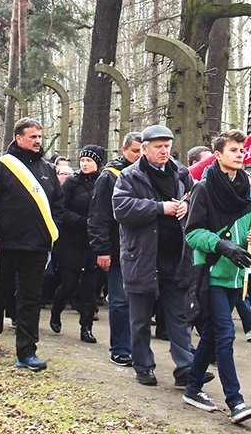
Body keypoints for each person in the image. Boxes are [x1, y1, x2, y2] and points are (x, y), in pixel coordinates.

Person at [113, 125, 208, 387]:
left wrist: (186, 206)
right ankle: (143, 365)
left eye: (167, 146)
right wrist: (159, 208)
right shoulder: (129, 176)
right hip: (142, 256)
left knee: (179, 314)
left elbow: (197, 196)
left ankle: (186, 367)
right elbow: (121, 209)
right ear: (144, 149)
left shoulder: (180, 172)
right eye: (158, 146)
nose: (164, 151)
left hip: (175, 257)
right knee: (141, 317)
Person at [182, 129, 251, 424]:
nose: (240, 154)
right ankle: (235, 400)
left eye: (242, 150)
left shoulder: (249, 191)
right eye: (233, 150)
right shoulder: (204, 189)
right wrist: (222, 244)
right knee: (226, 333)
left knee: (215, 333)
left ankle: (192, 387)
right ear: (217, 155)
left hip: (236, 274)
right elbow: (192, 233)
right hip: (213, 272)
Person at [0, 118, 63, 371]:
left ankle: (27, 351)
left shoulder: (47, 169)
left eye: (39, 137)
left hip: (37, 245)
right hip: (4, 243)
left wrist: (53, 232)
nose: (37, 141)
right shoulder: (1, 167)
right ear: (18, 138)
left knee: (31, 298)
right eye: (32, 137)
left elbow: (58, 203)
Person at [88, 132, 142, 366]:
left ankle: (136, 347)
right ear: (124, 150)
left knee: (139, 302)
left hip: (143, 249)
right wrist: (102, 249)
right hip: (118, 247)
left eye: (142, 151)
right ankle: (120, 348)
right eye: (135, 151)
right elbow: (99, 216)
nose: (139, 156)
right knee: (120, 300)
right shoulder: (109, 177)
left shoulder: (149, 175)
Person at [50, 144, 105, 344]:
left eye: (89, 160)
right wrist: (82, 221)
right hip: (71, 241)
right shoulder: (70, 183)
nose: (85, 164)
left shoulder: (103, 182)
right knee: (69, 284)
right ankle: (56, 311)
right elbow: (60, 209)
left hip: (94, 242)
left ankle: (86, 327)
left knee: (90, 289)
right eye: (82, 160)